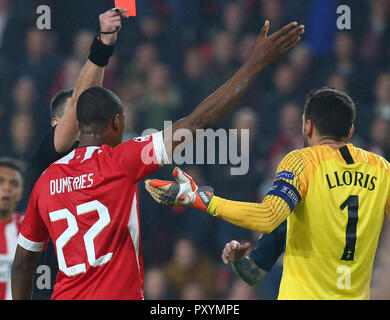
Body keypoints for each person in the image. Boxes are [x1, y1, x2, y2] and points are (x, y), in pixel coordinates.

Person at [11, 20, 304, 300]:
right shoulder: (122, 160)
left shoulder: (46, 181)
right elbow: (197, 123)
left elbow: (23, 263)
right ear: (115, 122)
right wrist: (255, 64)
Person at [145, 86, 390, 299]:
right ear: (350, 132)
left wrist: (203, 200)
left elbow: (267, 216)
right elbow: (253, 274)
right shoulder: (381, 168)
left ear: (308, 126)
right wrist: (240, 262)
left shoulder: (303, 162)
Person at [22, 8, 129, 300]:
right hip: (52, 288)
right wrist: (103, 43)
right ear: (57, 125)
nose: (84, 117)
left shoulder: (103, 161)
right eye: (74, 115)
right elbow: (81, 102)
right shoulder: (47, 158)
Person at [0, 158, 24, 300]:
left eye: (13, 183)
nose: (7, 188)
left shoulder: (28, 229)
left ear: (20, 193)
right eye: (1, 181)